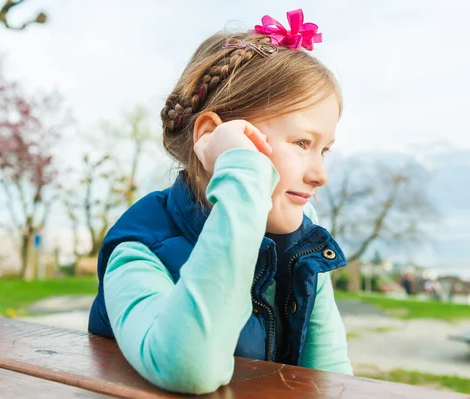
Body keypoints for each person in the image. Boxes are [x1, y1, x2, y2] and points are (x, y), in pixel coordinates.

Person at [87, 9, 353, 395]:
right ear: (215, 137)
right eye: (301, 143)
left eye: (324, 150)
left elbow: (332, 378)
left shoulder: (301, 237)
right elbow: (190, 368)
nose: (320, 175)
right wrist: (243, 176)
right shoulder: (138, 250)